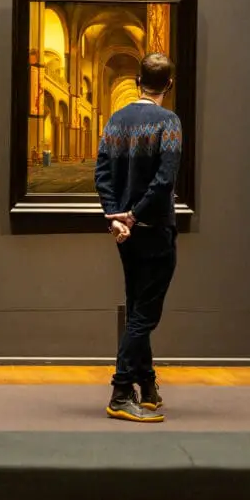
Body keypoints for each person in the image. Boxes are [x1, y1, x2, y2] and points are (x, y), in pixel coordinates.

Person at [94, 52, 182, 423]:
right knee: (144, 315)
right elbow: (164, 182)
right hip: (155, 230)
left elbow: (102, 172)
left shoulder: (116, 120)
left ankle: (147, 386)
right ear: (169, 84)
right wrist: (135, 214)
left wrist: (116, 216)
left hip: (126, 235)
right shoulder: (169, 122)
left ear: (135, 80)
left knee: (136, 309)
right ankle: (120, 391)